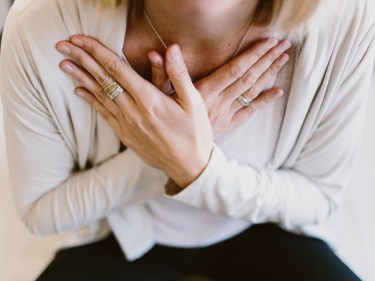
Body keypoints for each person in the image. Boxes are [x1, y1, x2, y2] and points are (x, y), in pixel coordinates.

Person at [1, 0, 374, 280]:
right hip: (116, 234)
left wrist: (196, 166)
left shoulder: (347, 18)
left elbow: (318, 197)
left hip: (265, 225)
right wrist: (162, 152)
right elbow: (42, 211)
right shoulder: (43, 26)